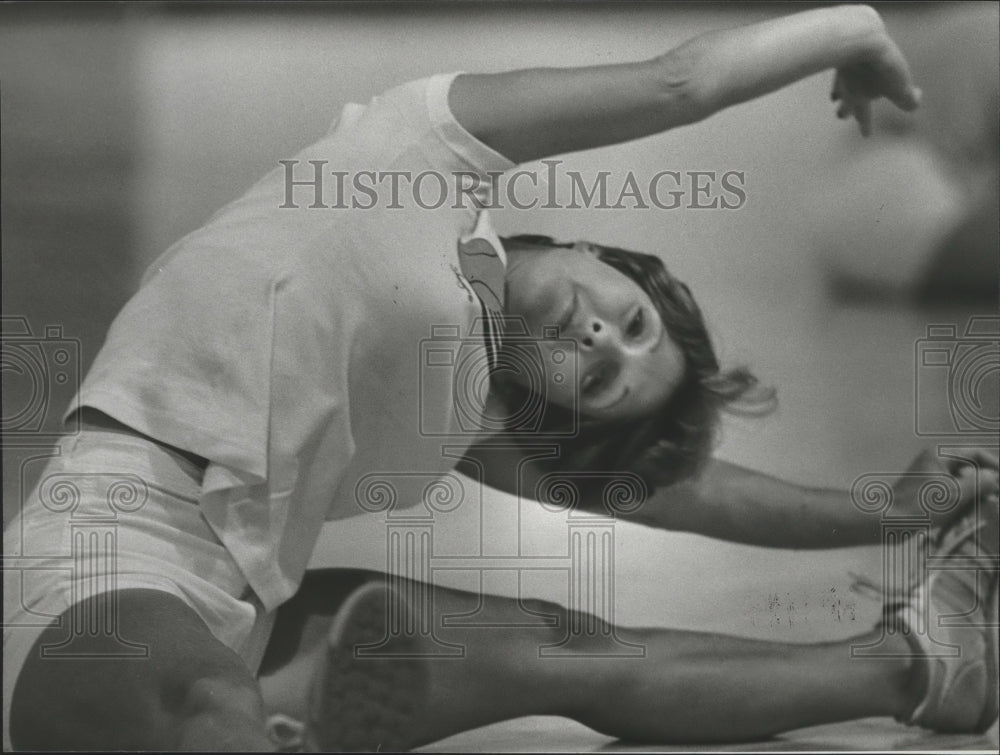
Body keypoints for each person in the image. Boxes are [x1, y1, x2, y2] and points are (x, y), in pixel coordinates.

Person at [3, 4, 997, 751]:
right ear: (608, 257)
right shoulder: (418, 149)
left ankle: (918, 663)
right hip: (104, 557)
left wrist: (886, 512)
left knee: (569, 640)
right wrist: (849, 29)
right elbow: (678, 80)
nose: (606, 344)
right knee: (199, 706)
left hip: (246, 598)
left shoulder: (468, 411)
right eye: (635, 321)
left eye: (602, 379)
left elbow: (689, 493)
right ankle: (265, 716)